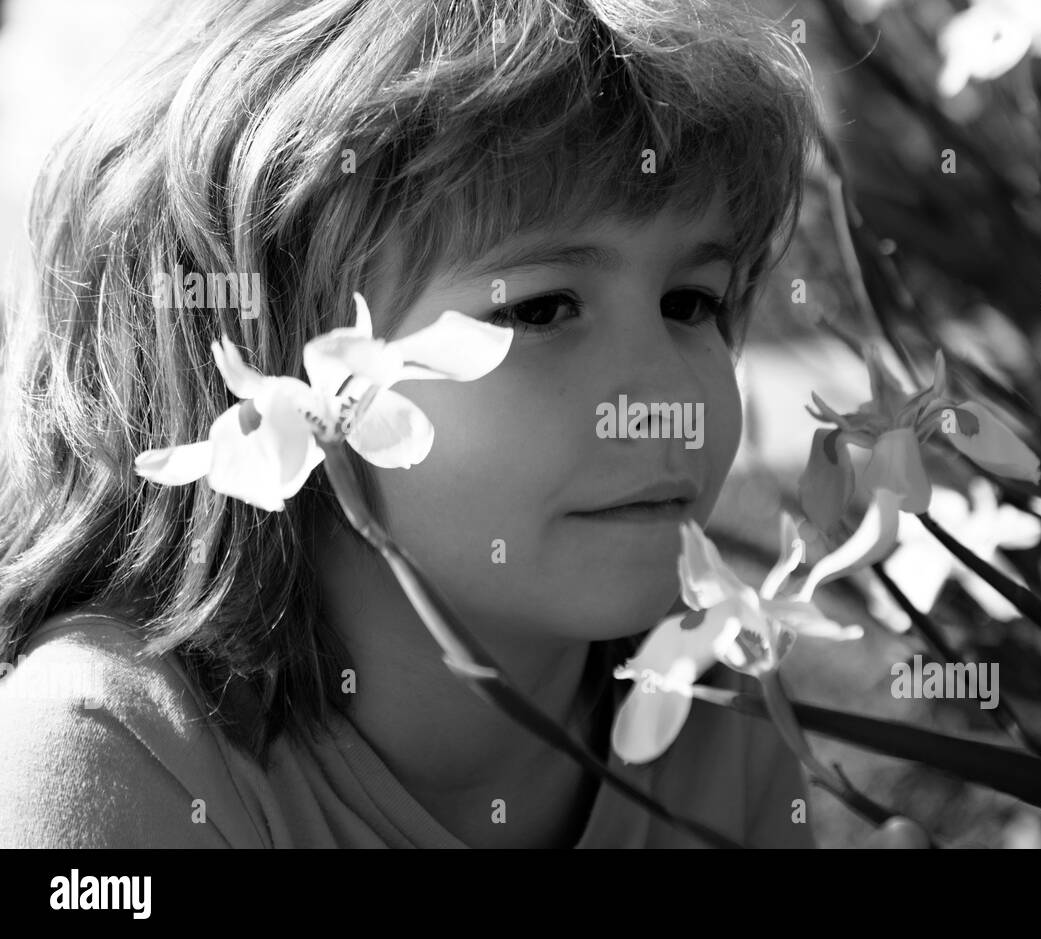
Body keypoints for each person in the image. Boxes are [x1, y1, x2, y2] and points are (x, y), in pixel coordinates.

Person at [0, 0, 833, 848]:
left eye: (691, 302)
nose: (663, 400)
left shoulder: (712, 705)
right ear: (263, 352)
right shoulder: (110, 754)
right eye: (541, 309)